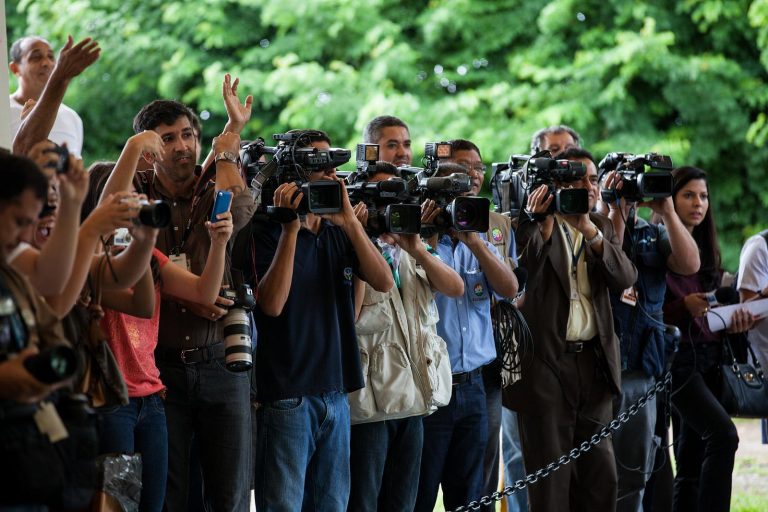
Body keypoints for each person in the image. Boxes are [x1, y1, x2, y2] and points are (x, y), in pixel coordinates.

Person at [100, 95, 258, 511]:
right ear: (151, 149)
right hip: (154, 373)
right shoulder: (136, 198)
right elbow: (108, 220)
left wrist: (230, 139)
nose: (182, 146)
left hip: (219, 362)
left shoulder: (215, 185)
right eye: (168, 138)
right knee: (161, 498)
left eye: (188, 135)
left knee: (230, 495)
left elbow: (238, 213)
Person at [252, 129, 393, 511]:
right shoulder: (267, 229)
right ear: (293, 173)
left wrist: (350, 223)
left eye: (335, 163)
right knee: (284, 504)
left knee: (331, 504)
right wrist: (290, 229)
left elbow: (383, 281)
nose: (333, 173)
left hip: (336, 390)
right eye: (321, 164)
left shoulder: (339, 231)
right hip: (287, 393)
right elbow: (272, 305)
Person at [503, 147, 637, 512]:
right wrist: (543, 223)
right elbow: (519, 277)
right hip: (546, 365)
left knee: (601, 480)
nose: (588, 186)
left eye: (593, 179)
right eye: (577, 179)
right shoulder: (529, 223)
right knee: (550, 485)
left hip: (593, 364)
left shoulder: (602, 225)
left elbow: (624, 277)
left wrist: (590, 231)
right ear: (555, 184)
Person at [347, 161, 462, 512]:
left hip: (413, 400)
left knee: (403, 503)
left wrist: (415, 248)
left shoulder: (413, 245)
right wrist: (360, 237)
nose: (387, 209)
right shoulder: (349, 245)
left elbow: (454, 287)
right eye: (379, 199)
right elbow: (351, 316)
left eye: (395, 198)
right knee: (364, 502)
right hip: (368, 408)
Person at [415, 162, 518, 512]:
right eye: (452, 199)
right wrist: (428, 235)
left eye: (467, 199)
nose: (461, 207)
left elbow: (508, 289)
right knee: (423, 492)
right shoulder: (420, 241)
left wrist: (475, 242)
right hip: (432, 387)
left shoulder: (479, 240)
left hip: (476, 386)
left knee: (472, 496)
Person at [598, 165, 700, 511]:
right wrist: (613, 209)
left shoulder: (651, 233)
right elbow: (610, 257)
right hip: (599, 369)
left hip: (643, 366)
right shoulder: (594, 230)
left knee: (634, 473)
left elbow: (690, 264)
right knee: (596, 473)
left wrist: (667, 210)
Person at [663, 166, 756, 512]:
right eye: (688, 195)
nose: (698, 203)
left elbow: (714, 319)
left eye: (703, 196)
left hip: (712, 360)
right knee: (724, 435)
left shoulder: (708, 254)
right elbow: (648, 313)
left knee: (690, 461)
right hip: (679, 363)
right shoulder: (657, 246)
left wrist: (736, 323)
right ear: (670, 200)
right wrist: (683, 308)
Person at [443, 138, 523, 509]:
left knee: (480, 482)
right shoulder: (426, 228)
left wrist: (475, 244)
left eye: (478, 167)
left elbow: (509, 288)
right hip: (438, 376)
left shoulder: (493, 225)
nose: (472, 175)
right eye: (462, 167)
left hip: (482, 369)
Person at [9, 35, 100, 157]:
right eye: (36, 57)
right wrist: (61, 76)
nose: (46, 63)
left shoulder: (72, 118)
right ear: (15, 68)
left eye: (51, 57)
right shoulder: (4, 109)